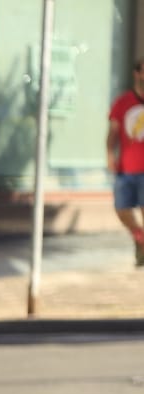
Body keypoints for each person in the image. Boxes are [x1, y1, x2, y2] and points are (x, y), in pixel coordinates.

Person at [107, 59, 144, 266]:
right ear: (137, 74)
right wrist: (109, 155)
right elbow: (112, 132)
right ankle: (139, 237)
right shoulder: (123, 102)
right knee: (122, 210)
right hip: (126, 168)